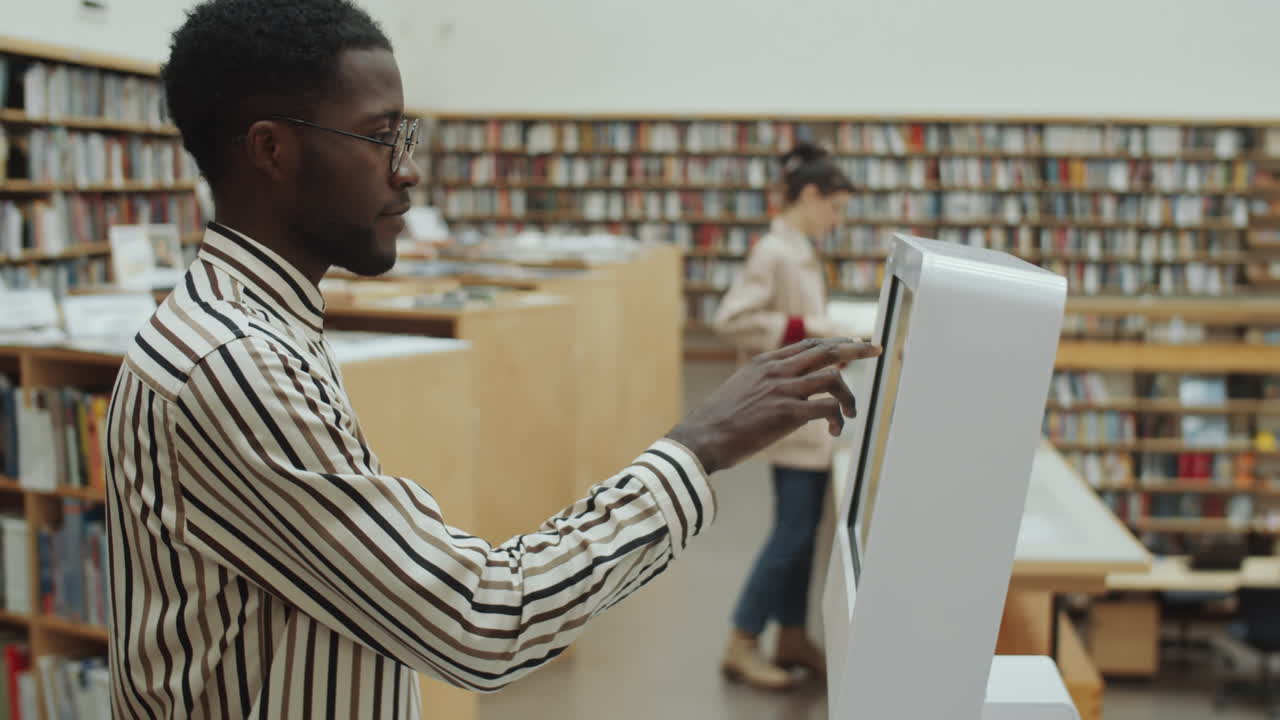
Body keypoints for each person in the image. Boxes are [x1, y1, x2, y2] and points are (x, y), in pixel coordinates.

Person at [103, 2, 881, 718]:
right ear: (271, 148)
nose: (406, 170)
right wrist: (696, 447)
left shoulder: (253, 329)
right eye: (381, 137)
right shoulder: (234, 366)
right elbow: (480, 620)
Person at [712, 141, 860, 691]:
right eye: (835, 207)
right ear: (812, 195)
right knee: (792, 532)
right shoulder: (773, 252)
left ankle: (792, 635)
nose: (837, 220)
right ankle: (742, 639)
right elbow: (732, 319)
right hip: (791, 410)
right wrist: (810, 330)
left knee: (805, 531)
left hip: (805, 406)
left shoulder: (797, 247)